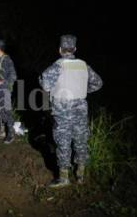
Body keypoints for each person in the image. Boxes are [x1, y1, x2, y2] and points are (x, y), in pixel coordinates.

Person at [39, 35, 103, 188]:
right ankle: (80, 175)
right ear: (75, 49)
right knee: (81, 140)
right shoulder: (83, 65)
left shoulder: (58, 66)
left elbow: (45, 85)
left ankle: (64, 178)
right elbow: (98, 83)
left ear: (60, 50)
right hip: (80, 109)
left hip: (62, 111)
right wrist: (82, 90)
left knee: (63, 142)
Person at [0, 40, 17, 144]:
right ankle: (2, 133)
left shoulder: (7, 60)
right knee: (0, 111)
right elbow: (0, 75)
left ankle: (11, 134)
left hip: (5, 89)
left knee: (7, 111)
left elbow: (13, 76)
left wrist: (1, 82)